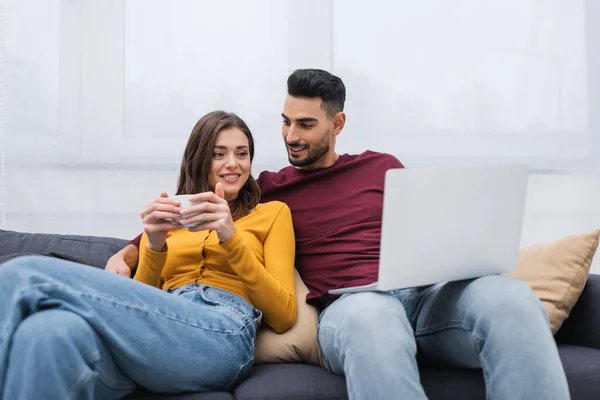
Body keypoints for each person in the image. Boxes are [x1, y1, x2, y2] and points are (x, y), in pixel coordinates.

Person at [107, 70, 570, 400]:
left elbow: (429, 222)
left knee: (511, 299)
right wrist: (130, 251)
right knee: (375, 318)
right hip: (352, 306)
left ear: (337, 124)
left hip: (425, 301)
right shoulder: (269, 189)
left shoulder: (382, 167)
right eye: (286, 121)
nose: (291, 135)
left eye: (306, 124)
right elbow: (190, 214)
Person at [0, 111, 296, 399]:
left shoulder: (272, 214)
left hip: (222, 332)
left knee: (23, 275)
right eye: (219, 154)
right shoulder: (171, 218)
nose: (233, 164)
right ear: (198, 159)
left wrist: (230, 238)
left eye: (241, 153)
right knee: (46, 334)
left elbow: (283, 316)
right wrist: (154, 244)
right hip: (158, 330)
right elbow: (139, 303)